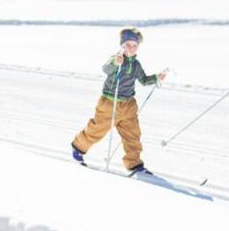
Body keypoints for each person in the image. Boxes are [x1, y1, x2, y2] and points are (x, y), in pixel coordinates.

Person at [70, 27, 167, 175]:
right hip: (110, 102)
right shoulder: (117, 59)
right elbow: (106, 69)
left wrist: (156, 78)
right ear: (122, 45)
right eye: (128, 44)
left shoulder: (136, 64)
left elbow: (144, 80)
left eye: (135, 45)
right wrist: (115, 62)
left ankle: (134, 164)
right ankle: (78, 148)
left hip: (129, 105)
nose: (131, 48)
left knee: (133, 135)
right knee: (97, 129)